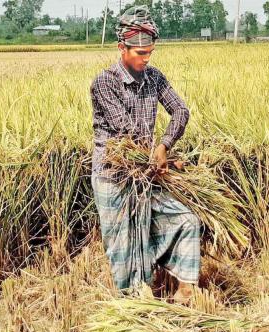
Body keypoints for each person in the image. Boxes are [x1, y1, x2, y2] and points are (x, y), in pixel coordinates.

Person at [90, 6, 200, 303]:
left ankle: (185, 290)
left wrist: (164, 146)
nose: (146, 58)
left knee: (186, 220)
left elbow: (180, 110)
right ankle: (134, 306)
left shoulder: (155, 78)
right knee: (123, 245)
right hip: (114, 178)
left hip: (146, 172)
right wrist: (157, 157)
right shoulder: (104, 83)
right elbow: (126, 131)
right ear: (121, 48)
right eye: (140, 53)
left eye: (150, 51)